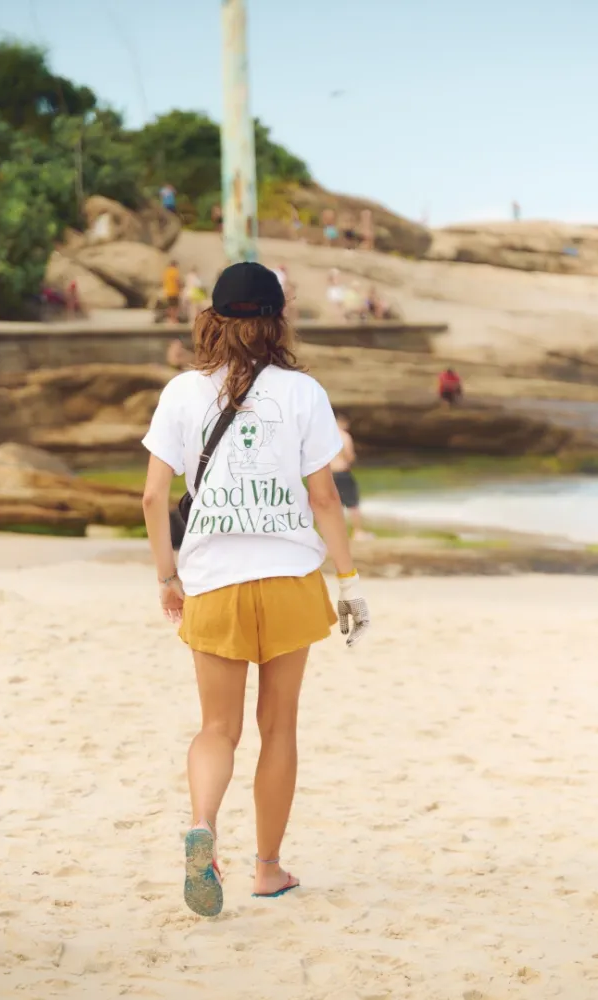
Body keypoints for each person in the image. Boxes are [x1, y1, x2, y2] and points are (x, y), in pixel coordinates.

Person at [141, 261, 370, 917]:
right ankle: (266, 868)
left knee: (217, 727)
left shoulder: (182, 393)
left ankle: (203, 826)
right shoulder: (304, 393)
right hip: (290, 580)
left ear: (210, 320)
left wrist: (167, 575)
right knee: (279, 728)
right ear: (276, 320)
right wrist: (348, 581)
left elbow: (154, 495)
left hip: (213, 581)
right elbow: (324, 497)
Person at [330, 413, 368, 540]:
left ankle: (335, 533)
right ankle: (357, 532)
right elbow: (349, 456)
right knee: (353, 504)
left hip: (329, 475)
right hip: (342, 472)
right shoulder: (344, 436)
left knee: (335, 504)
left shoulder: (325, 437)